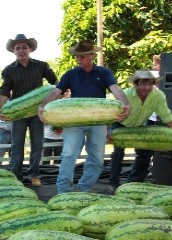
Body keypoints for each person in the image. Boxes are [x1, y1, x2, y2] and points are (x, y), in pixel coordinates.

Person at [38, 39, 131, 194]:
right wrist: (42, 106)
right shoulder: (70, 74)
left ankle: (84, 188)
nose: (78, 59)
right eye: (77, 56)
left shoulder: (104, 72)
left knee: (97, 159)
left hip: (98, 121)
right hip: (75, 121)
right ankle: (64, 190)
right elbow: (57, 91)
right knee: (68, 155)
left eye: (81, 56)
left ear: (91, 56)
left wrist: (125, 104)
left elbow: (114, 88)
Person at [0, 34, 58, 186]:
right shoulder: (9, 70)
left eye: (24, 47)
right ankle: (15, 175)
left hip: (38, 112)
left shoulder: (41, 66)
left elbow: (55, 81)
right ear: (13, 51)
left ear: (30, 49)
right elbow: (4, 90)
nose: (21, 50)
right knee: (17, 145)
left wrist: (63, 90)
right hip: (18, 113)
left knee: (37, 144)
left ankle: (33, 175)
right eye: (18, 48)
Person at [107, 70, 172, 194]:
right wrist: (107, 131)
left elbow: (166, 116)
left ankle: (133, 183)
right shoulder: (126, 94)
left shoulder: (157, 96)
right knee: (118, 151)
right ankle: (113, 183)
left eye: (150, 84)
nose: (147, 87)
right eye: (143, 84)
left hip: (139, 125)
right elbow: (110, 113)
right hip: (120, 124)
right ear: (136, 84)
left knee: (146, 151)